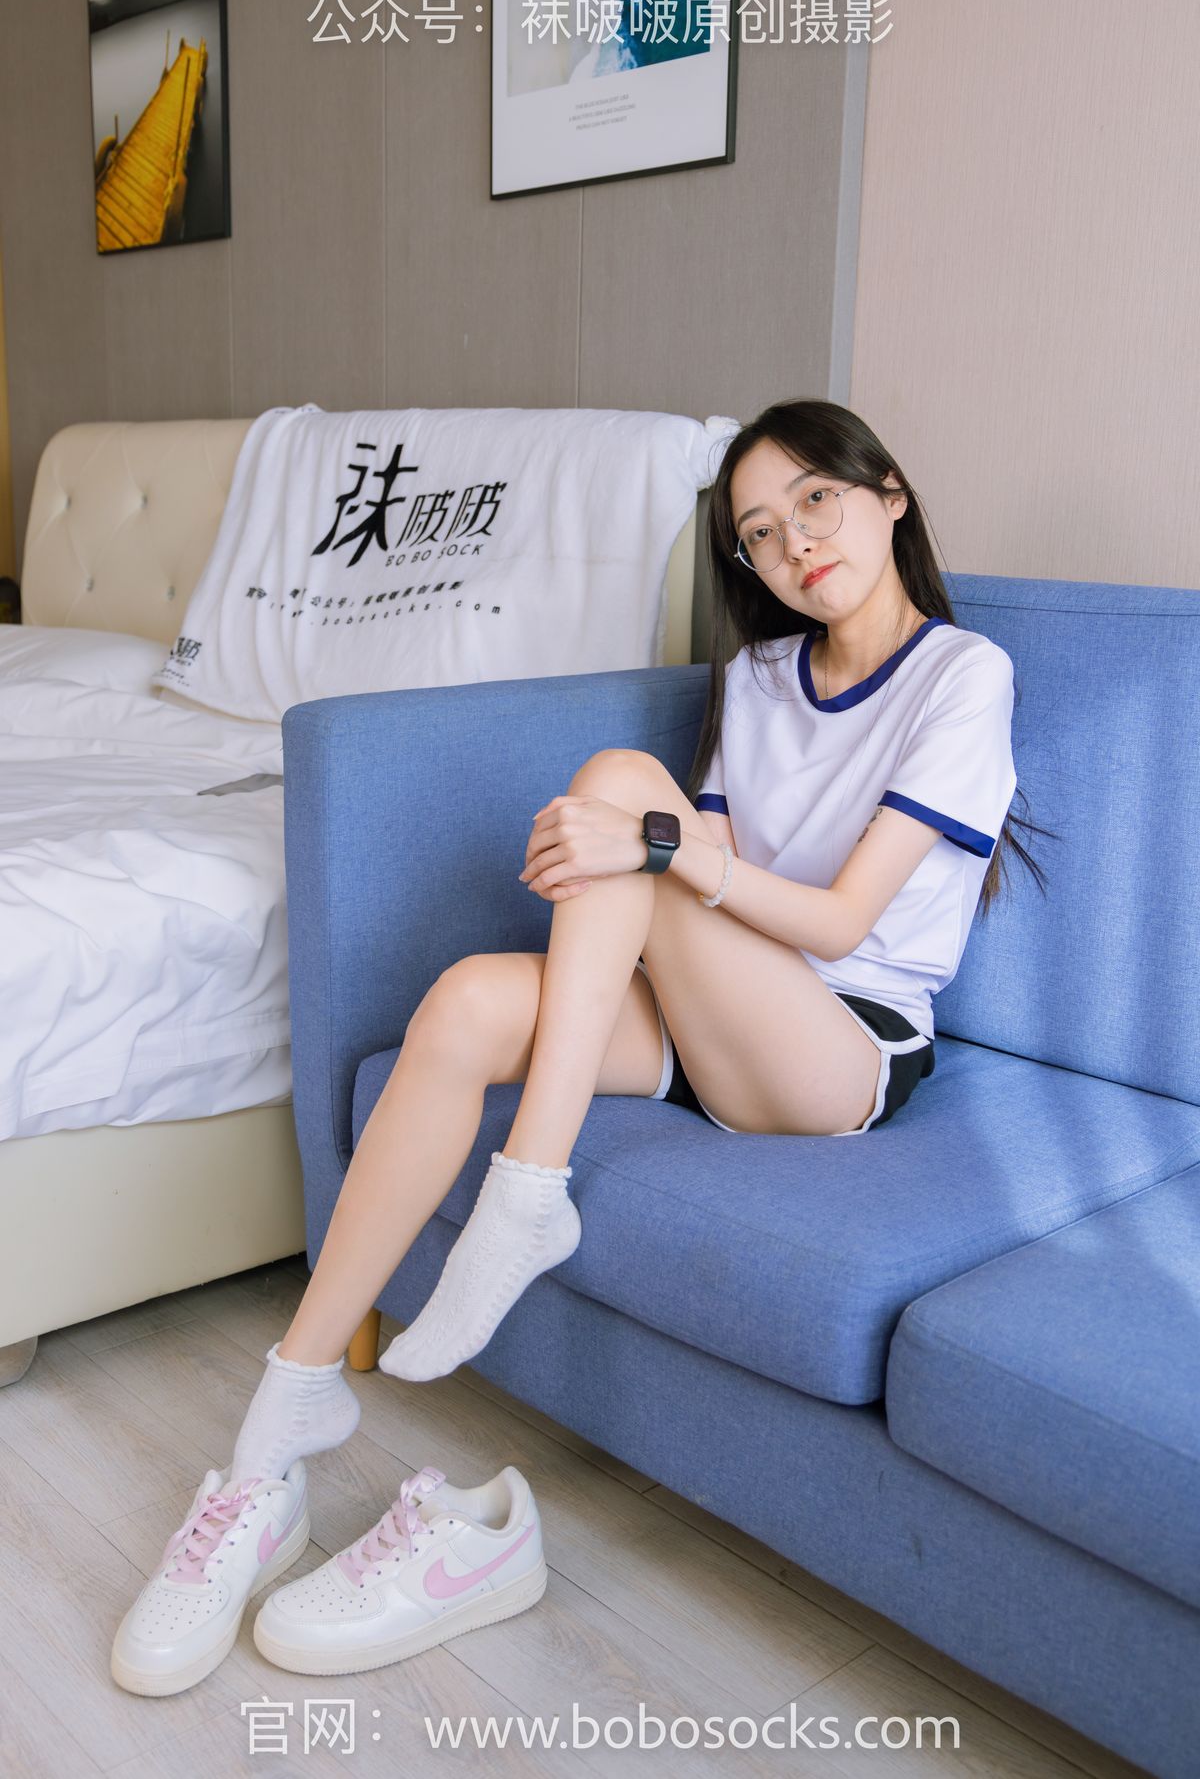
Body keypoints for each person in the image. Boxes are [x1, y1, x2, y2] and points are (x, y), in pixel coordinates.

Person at [112, 397, 1049, 1693]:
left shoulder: (963, 674)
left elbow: (838, 921)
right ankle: (284, 1416)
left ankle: (526, 1194)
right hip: (726, 1011)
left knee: (619, 787)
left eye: (816, 502)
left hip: (841, 1050)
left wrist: (647, 843)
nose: (793, 546)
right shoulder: (761, 678)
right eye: (759, 533)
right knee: (464, 1004)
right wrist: (643, 856)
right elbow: (704, 877)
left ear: (888, 492)